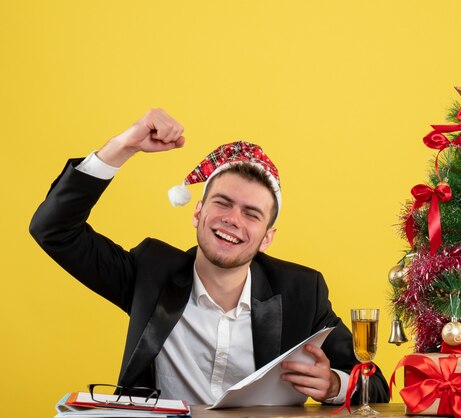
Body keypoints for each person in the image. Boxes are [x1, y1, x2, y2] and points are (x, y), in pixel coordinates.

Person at [30, 109, 389, 406]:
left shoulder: (302, 291)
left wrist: (333, 386)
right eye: (222, 203)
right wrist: (123, 146)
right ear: (197, 212)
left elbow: (378, 388)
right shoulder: (150, 272)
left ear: (267, 238)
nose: (232, 220)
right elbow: (54, 229)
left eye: (251, 213)